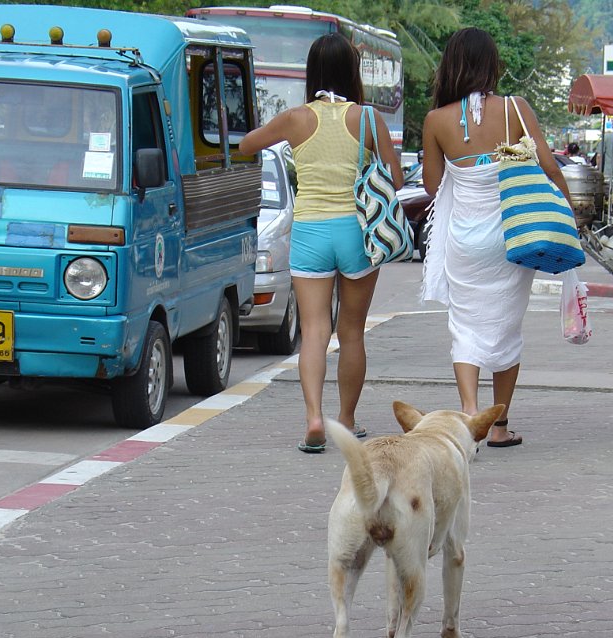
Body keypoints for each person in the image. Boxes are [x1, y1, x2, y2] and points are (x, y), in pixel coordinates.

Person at [238, 33, 403, 453]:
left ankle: (313, 418)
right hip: (356, 232)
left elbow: (246, 144)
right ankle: (345, 421)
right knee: (351, 332)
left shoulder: (295, 118)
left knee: (313, 330)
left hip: (310, 230)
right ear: (353, 72)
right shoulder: (368, 119)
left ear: (312, 72)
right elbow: (396, 180)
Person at [420, 27, 572, 448]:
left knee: (464, 327)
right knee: (507, 328)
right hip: (512, 236)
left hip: (464, 241)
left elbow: (433, 187)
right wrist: (568, 211)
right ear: (492, 64)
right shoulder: (515, 109)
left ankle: (470, 411)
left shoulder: (436, 120)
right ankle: (500, 426)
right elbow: (550, 168)